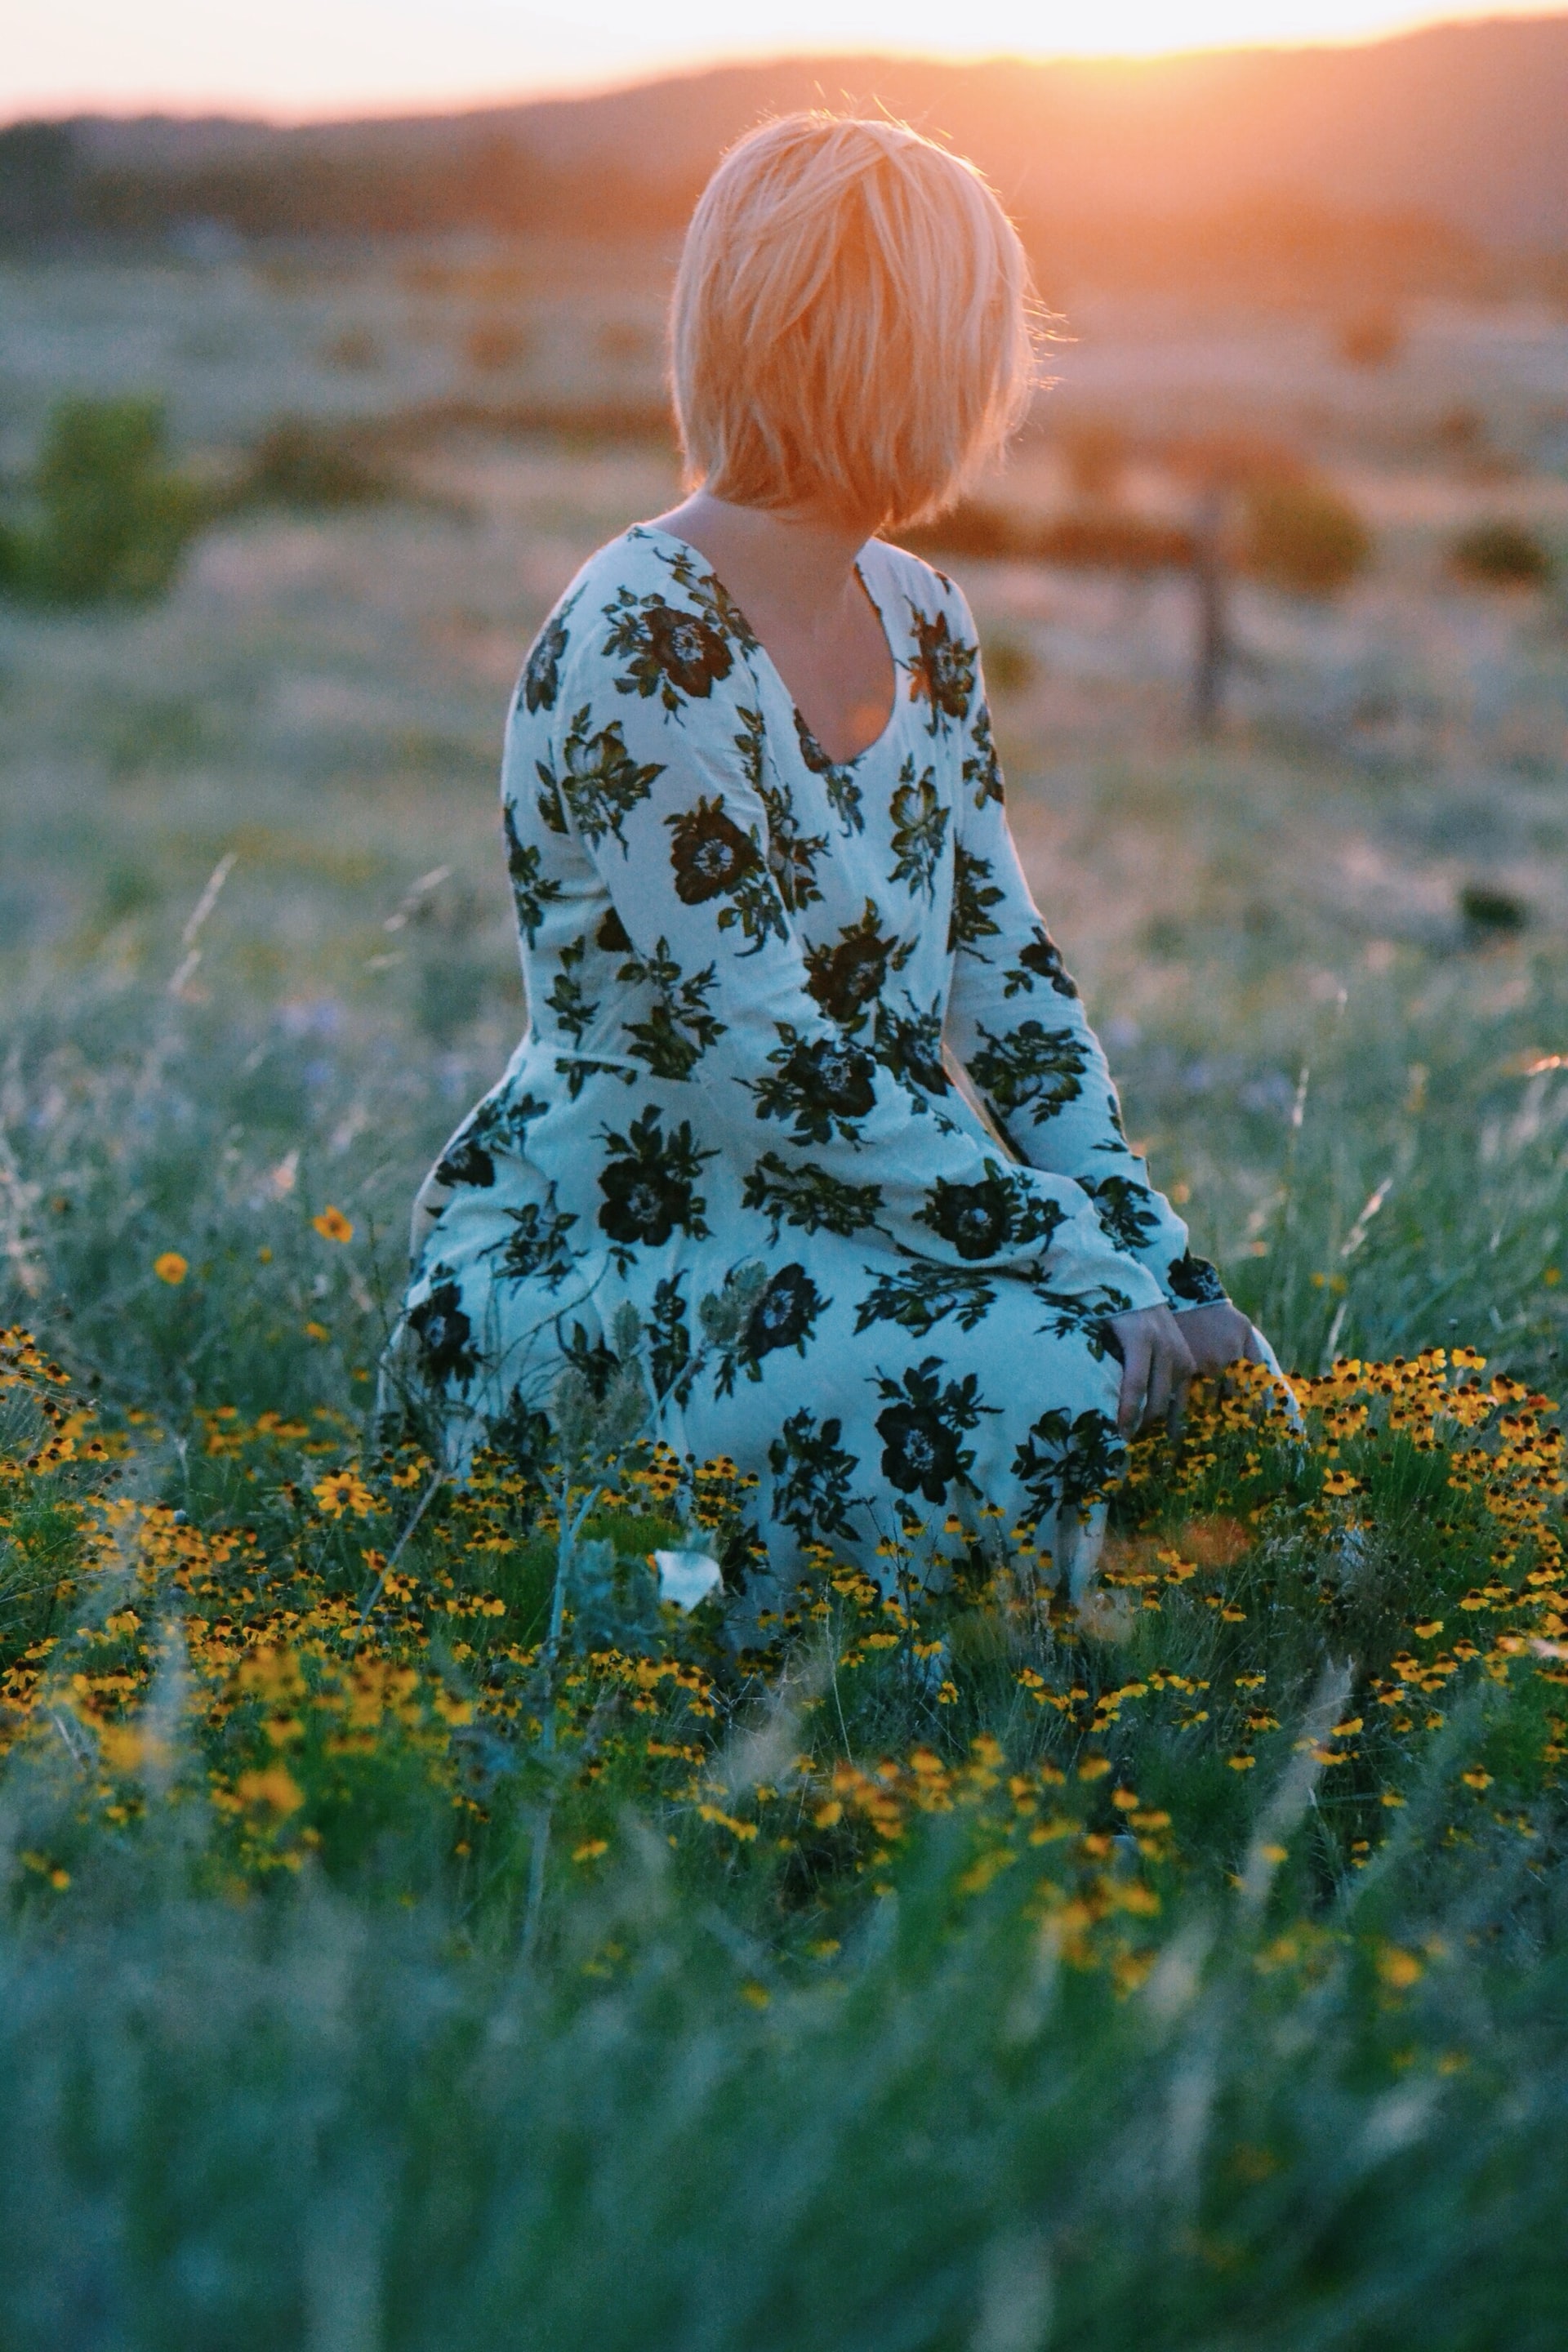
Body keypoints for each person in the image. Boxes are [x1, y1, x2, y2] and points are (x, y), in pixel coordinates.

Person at [390, 111, 1264, 1597]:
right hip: (633, 1274)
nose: (1005, 383)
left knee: (1235, 1409)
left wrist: (1168, 1272)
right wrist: (1078, 1268)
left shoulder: (925, 615)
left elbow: (1014, 986)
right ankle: (884, 1766)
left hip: (868, 1228)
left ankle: (1155, 1757)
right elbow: (773, 1063)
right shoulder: (640, 641)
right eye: (984, 335)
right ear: (901, 354)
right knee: (1066, 1397)